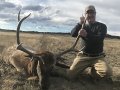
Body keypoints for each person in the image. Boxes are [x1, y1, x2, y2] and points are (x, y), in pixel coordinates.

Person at [69, 5, 112, 80]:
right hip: (83, 56)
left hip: (98, 57)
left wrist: (86, 35)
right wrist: (79, 23)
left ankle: (92, 73)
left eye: (92, 13)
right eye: (88, 13)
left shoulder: (102, 26)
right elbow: (73, 34)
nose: (90, 15)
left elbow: (99, 39)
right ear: (85, 15)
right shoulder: (82, 26)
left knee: (107, 72)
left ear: (95, 14)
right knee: (70, 76)